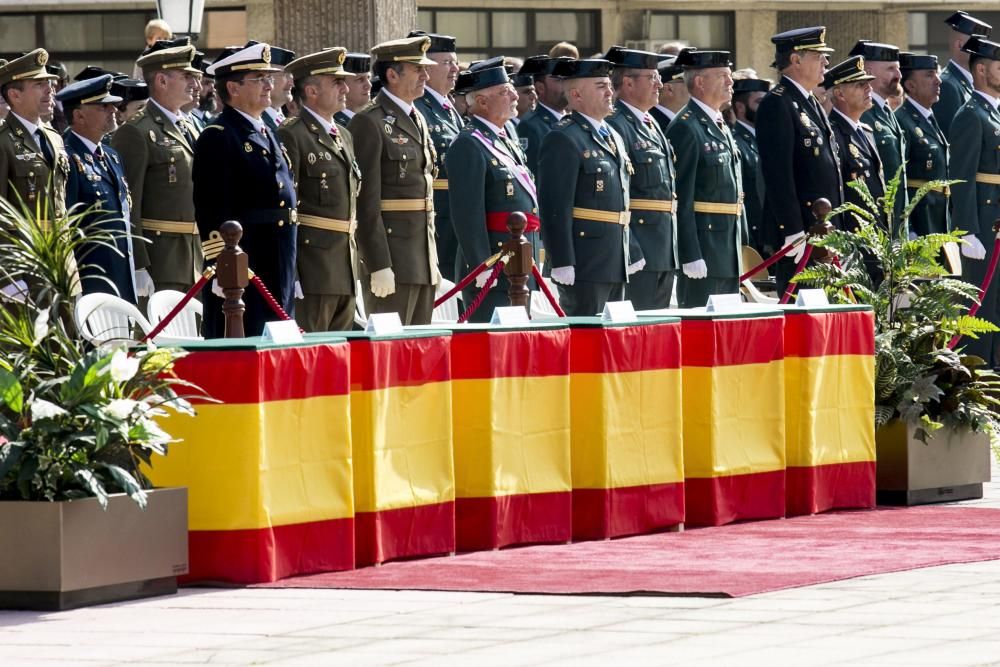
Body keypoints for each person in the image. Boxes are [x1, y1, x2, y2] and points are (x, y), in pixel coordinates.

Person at [193, 41, 298, 338]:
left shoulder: (267, 130)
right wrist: (221, 266)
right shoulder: (219, 136)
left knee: (279, 344)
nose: (268, 85)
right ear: (233, 88)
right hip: (247, 263)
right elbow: (211, 208)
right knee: (248, 340)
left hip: (280, 258)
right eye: (258, 79)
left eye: (268, 78)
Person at [348, 35, 440, 325]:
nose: (426, 75)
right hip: (393, 257)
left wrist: (431, 259)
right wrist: (378, 263)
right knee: (390, 355)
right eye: (418, 69)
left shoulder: (417, 118)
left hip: (422, 257)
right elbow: (365, 201)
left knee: (418, 353)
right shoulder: (370, 121)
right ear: (392, 74)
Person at [538, 58, 641, 316]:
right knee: (586, 337)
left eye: (609, 85)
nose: (610, 92)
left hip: (615, 256)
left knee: (614, 337)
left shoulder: (612, 134)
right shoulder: (563, 137)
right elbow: (554, 206)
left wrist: (632, 248)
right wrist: (562, 260)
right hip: (585, 260)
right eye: (600, 86)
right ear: (576, 94)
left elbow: (622, 201)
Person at [446, 59, 541, 321]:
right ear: (482, 102)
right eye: (504, 91)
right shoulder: (469, 144)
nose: (513, 95)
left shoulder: (503, 140)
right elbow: (467, 214)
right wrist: (480, 265)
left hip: (519, 264)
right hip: (493, 265)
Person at [277, 48, 361, 332]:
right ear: (311, 91)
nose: (345, 88)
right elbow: (287, 208)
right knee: (312, 354)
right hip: (313, 266)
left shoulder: (345, 135)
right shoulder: (293, 133)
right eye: (335, 82)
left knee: (339, 358)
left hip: (345, 264)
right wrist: (295, 272)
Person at [111, 43, 202, 302]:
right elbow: (129, 204)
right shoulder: (136, 131)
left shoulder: (190, 128)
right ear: (162, 80)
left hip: (195, 258)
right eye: (186, 76)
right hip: (161, 260)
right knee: (164, 340)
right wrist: (139, 264)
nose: (195, 83)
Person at [756, 27, 843, 295]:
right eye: (819, 56)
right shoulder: (778, 103)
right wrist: (792, 230)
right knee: (803, 316)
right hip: (803, 233)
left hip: (823, 232)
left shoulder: (810, 102)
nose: (826, 63)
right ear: (795, 60)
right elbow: (778, 174)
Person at [666, 48, 745, 308]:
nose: (730, 81)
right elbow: (681, 196)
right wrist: (690, 253)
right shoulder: (686, 126)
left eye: (730, 75)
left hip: (726, 250)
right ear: (700, 82)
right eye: (722, 75)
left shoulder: (719, 125)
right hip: (704, 249)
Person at [605, 46, 678, 309]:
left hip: (663, 247)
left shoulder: (650, 122)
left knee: (659, 334)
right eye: (651, 77)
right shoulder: (616, 124)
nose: (660, 83)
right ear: (628, 83)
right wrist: (632, 248)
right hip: (639, 247)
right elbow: (615, 196)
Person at [59, 75, 135, 304]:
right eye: (103, 105)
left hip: (121, 273)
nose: (114, 109)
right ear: (78, 114)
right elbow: (67, 225)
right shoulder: (67, 157)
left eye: (112, 103)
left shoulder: (111, 155)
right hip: (90, 276)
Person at [949, 36, 1000, 366]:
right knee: (981, 308)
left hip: (995, 223)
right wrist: (967, 230)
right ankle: (977, 379)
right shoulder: (971, 114)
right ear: (981, 69)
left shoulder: (993, 112)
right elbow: (962, 176)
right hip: (982, 228)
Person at [409, 31, 463, 283]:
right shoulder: (419, 107)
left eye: (455, 61)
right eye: (446, 62)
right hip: (437, 217)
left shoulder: (448, 107)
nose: (455, 68)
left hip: (454, 215)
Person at [0, 50, 68, 220]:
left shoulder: (54, 137)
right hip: (24, 245)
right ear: (15, 95)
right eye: (39, 84)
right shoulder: (3, 141)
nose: (50, 89)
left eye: (48, 82)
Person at [851, 41, 907, 223]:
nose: (899, 75)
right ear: (869, 71)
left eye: (898, 69)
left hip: (896, 220)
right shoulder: (863, 113)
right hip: (877, 221)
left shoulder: (886, 110)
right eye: (891, 69)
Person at [825, 56, 884, 228]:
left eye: (868, 83)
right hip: (852, 236)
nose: (869, 89)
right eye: (860, 85)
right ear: (839, 93)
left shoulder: (866, 131)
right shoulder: (833, 134)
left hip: (874, 234)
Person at [897, 53, 950, 238]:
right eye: (929, 75)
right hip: (921, 221)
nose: (938, 80)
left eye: (937, 73)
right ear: (910, 85)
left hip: (939, 219)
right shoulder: (902, 120)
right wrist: (909, 227)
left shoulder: (928, 118)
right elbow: (897, 181)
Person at [935, 11, 993, 138]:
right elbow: (955, 138)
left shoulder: (971, 82)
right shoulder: (947, 85)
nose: (982, 51)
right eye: (977, 45)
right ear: (959, 45)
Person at [730, 77, 770, 253]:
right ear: (740, 107)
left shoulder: (766, 139)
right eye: (760, 102)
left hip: (769, 236)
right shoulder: (736, 142)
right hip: (753, 238)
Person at [519, 57, 569, 174]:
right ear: (540, 88)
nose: (566, 84)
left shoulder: (572, 120)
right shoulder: (530, 126)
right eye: (559, 80)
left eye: (567, 79)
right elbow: (532, 175)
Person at [262, 46, 296, 131]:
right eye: (285, 75)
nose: (291, 83)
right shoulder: (257, 121)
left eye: (291, 76)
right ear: (266, 78)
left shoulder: (285, 121)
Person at [651, 56, 687, 135]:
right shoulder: (652, 123)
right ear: (669, 89)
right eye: (688, 82)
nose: (694, 87)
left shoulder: (684, 121)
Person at [334, 53, 371, 126]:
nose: (369, 85)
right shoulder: (335, 124)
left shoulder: (373, 118)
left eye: (368, 77)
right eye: (360, 79)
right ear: (342, 85)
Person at [512, 56, 544, 127]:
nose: (534, 96)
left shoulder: (539, 125)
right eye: (527, 92)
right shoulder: (505, 127)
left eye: (534, 90)